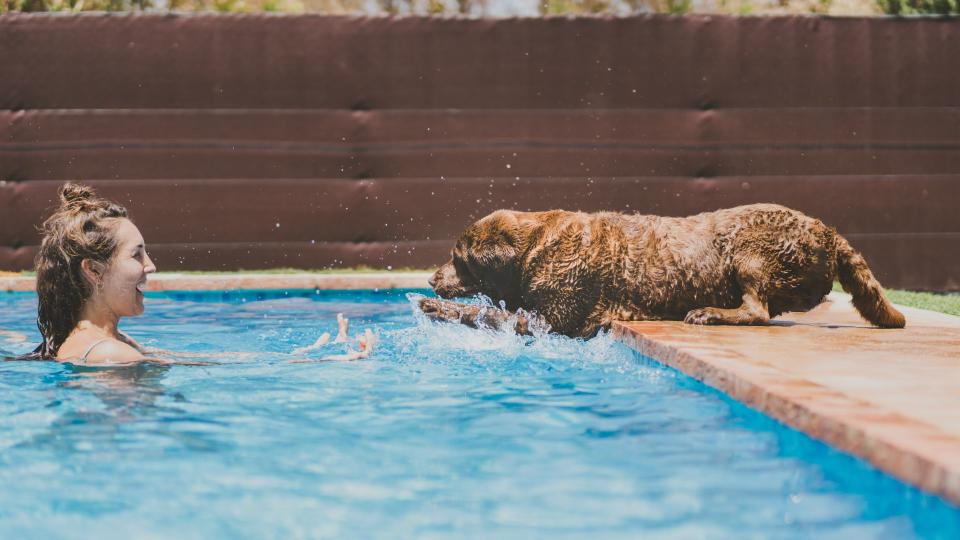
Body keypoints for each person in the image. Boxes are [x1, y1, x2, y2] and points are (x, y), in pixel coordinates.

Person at [20, 182, 374, 365]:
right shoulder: (110, 356)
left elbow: (199, 363)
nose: (150, 266)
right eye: (137, 255)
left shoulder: (106, 345)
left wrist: (314, 358)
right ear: (94, 271)